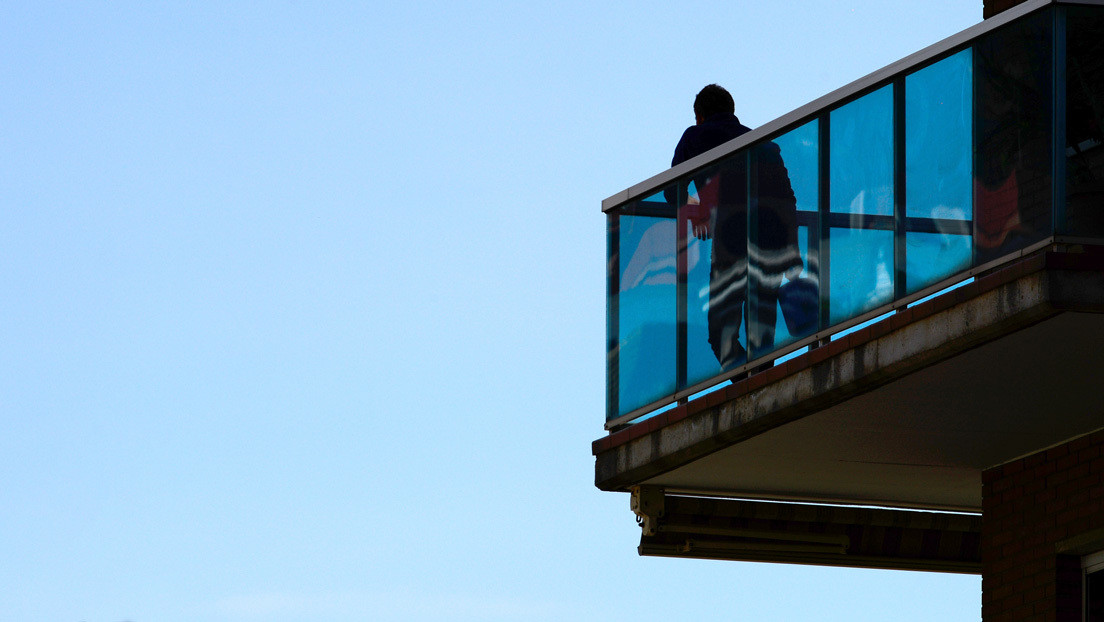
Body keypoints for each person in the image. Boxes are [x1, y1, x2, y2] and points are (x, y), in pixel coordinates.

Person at [672, 84, 802, 371]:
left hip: (730, 242)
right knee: (761, 335)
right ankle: (763, 388)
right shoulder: (763, 143)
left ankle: (749, 390)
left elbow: (672, 189)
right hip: (772, 243)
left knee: (721, 334)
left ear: (700, 115)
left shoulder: (695, 136)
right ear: (732, 111)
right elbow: (786, 199)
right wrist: (792, 252)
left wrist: (695, 209)